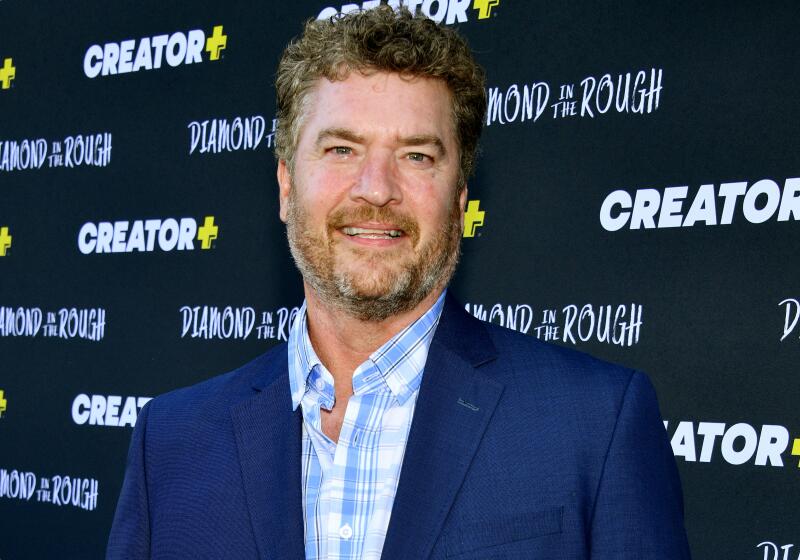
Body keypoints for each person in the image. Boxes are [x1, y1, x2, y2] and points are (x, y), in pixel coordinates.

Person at [108, 6, 691, 559]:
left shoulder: (595, 424)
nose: (376, 189)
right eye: (341, 149)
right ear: (286, 186)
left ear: (459, 199)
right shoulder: (172, 441)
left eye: (416, 156)